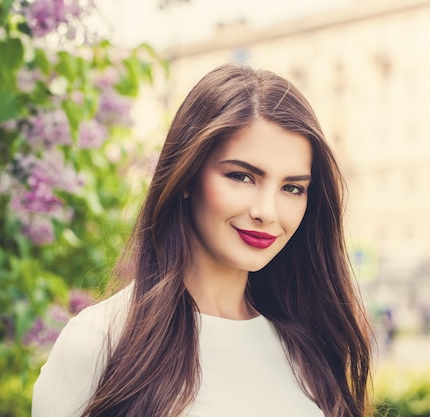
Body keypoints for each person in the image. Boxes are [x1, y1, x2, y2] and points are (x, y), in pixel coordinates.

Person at [32, 63, 372, 417]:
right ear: (186, 177)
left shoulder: (310, 346)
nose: (267, 212)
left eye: (292, 188)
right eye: (242, 176)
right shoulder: (100, 340)